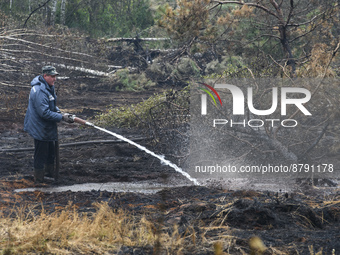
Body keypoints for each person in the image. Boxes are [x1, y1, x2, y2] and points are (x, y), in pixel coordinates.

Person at [24, 66, 73, 183]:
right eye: (52, 76)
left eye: (55, 76)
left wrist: (59, 111)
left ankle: (49, 175)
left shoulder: (48, 87)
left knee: (51, 152)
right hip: (39, 127)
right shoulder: (39, 90)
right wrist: (62, 117)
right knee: (41, 154)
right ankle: (39, 180)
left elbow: (50, 104)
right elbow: (44, 113)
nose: (54, 79)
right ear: (45, 76)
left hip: (46, 126)